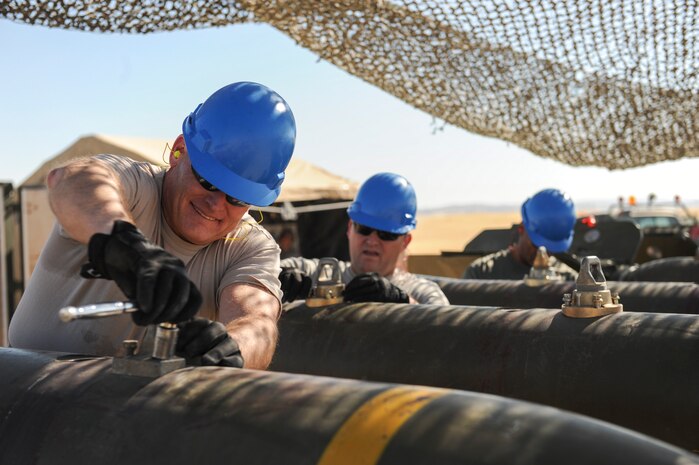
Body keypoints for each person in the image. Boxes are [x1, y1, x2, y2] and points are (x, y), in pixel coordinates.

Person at [9, 81, 296, 370]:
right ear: (178, 152)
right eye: (207, 181)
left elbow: (258, 322)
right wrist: (125, 248)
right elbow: (72, 180)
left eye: (237, 197)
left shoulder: (250, 246)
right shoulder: (135, 186)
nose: (216, 205)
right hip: (21, 392)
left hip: (135, 410)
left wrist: (231, 348)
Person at [279, 173, 449, 305]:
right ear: (349, 229)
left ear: (405, 242)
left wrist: (403, 302)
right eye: (364, 229)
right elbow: (267, 269)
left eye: (386, 234)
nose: (372, 241)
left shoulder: (423, 293)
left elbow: (448, 332)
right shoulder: (320, 275)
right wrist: (278, 280)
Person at [463, 188, 578, 281]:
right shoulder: (481, 274)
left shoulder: (569, 280)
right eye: (537, 246)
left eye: (551, 249)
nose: (544, 255)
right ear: (522, 229)